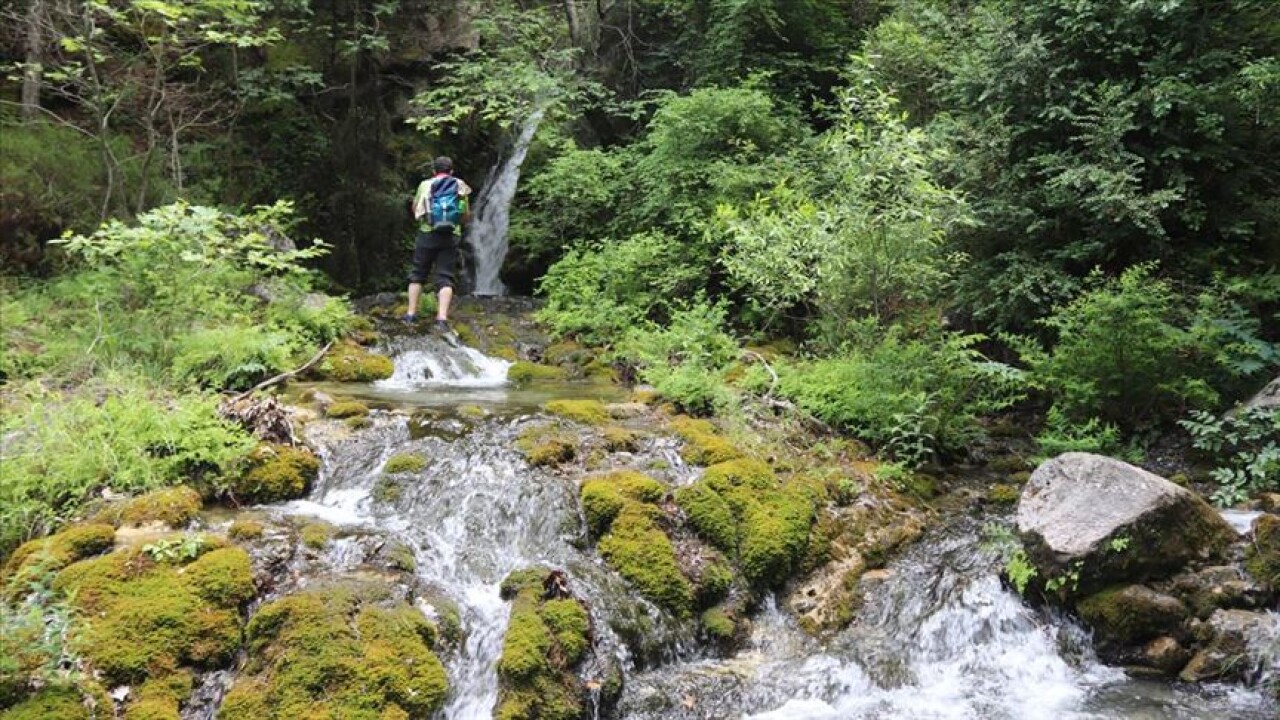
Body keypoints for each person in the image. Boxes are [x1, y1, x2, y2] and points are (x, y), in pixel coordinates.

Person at [404, 156, 471, 333]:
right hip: (450, 236)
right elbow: (465, 214)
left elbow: (416, 209)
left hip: (427, 233)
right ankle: (441, 318)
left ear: (434, 170)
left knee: (418, 274)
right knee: (445, 277)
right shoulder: (460, 185)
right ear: (451, 170)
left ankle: (411, 314)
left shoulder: (425, 185)